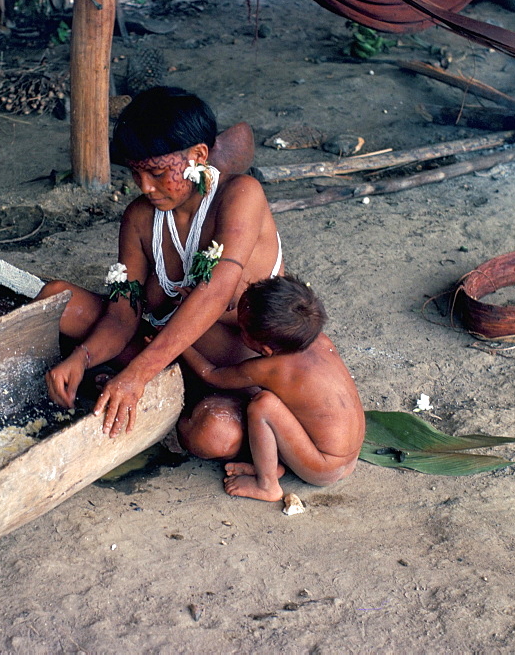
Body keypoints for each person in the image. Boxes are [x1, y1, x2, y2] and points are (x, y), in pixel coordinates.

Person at [38, 86, 283, 459]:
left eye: (155, 173)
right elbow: (123, 313)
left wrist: (136, 375)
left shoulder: (240, 196)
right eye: (136, 174)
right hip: (158, 352)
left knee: (214, 436)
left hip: (227, 372)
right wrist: (84, 356)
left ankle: (155, 396)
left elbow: (216, 293)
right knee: (55, 300)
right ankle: (135, 387)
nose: (145, 188)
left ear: (198, 155)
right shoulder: (139, 217)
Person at [179, 275, 365, 502]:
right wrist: (209, 306)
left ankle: (267, 485)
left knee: (263, 405)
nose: (236, 321)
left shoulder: (271, 368)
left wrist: (179, 342)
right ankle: (271, 464)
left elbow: (211, 375)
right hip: (348, 456)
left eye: (241, 324)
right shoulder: (318, 340)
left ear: (265, 349)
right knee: (282, 403)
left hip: (322, 465)